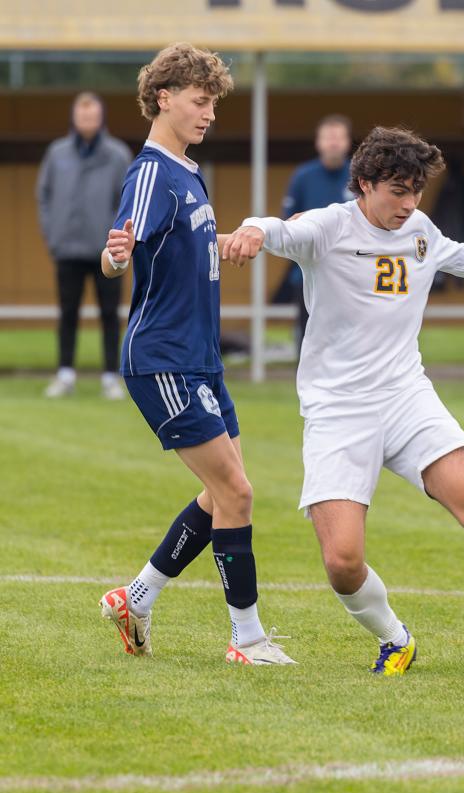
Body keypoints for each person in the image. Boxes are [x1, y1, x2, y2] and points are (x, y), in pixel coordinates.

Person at [223, 126, 464, 677]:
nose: (408, 205)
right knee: (341, 562)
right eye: (397, 192)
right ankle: (395, 637)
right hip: (339, 410)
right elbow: (279, 228)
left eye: (416, 192)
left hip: (407, 397)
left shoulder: (421, 230)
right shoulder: (329, 227)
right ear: (363, 184)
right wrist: (249, 230)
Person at [98, 43, 294, 666]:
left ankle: (136, 598)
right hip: (164, 360)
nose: (210, 114)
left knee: (223, 494)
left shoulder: (187, 169)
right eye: (200, 102)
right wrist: (115, 255)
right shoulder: (154, 171)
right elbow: (119, 248)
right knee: (236, 491)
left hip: (199, 359)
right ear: (164, 98)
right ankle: (248, 639)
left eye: (213, 103)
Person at [37, 92, 132, 400]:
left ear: (101, 118)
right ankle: (65, 374)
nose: (87, 121)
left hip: (107, 251)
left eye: (92, 116)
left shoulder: (117, 155)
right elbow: (44, 196)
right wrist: (54, 236)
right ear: (74, 118)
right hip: (67, 249)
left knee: (109, 313)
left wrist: (118, 241)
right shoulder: (57, 153)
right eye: (82, 115)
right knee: (67, 313)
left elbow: (127, 202)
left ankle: (110, 377)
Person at [273, 114, 353, 353]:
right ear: (318, 143)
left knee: (349, 345)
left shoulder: (360, 177)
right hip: (308, 275)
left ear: (348, 142)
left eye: (339, 137)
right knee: (310, 344)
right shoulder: (303, 176)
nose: (333, 143)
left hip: (351, 274)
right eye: (328, 137)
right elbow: (287, 223)